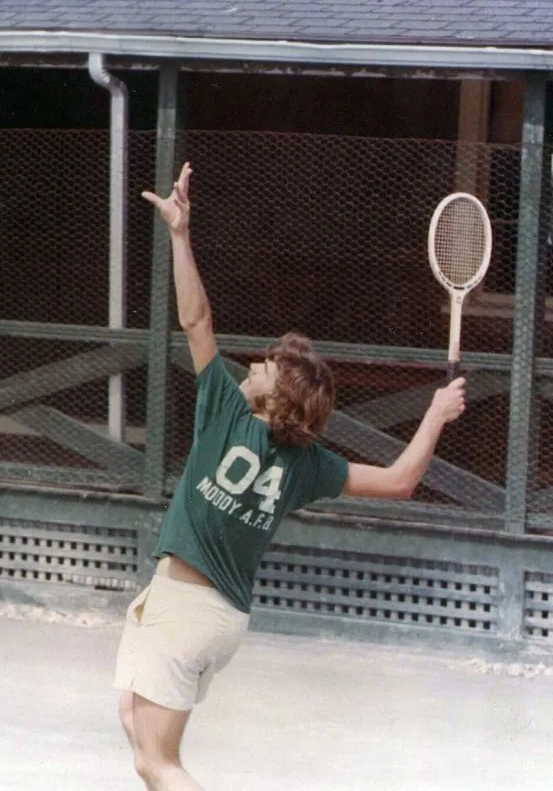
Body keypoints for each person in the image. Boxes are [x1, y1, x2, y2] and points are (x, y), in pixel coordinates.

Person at [114, 162, 466, 791]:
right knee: (135, 730)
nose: (255, 362)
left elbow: (196, 320)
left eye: (269, 365)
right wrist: (436, 414)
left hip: (185, 607)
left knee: (157, 763)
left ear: (276, 401)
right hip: (219, 618)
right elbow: (399, 481)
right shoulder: (308, 464)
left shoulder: (225, 406)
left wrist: (179, 233)